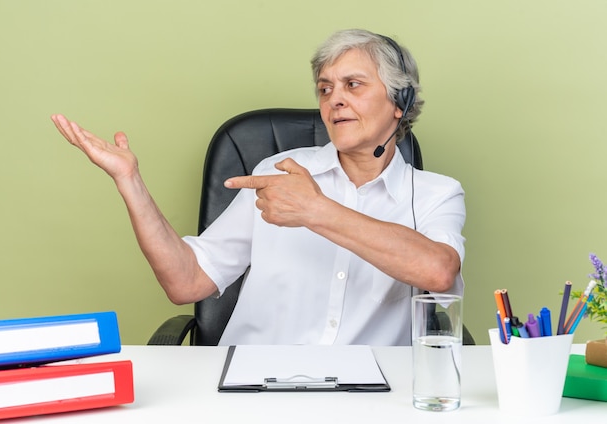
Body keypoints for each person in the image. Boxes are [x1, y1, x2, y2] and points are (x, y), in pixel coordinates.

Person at [51, 29, 465, 346]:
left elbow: (438, 271)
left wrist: (316, 210)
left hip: (373, 394)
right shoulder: (278, 172)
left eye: (353, 85)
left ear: (400, 102)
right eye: (325, 88)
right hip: (253, 388)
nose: (333, 99)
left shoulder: (435, 193)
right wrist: (130, 181)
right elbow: (186, 282)